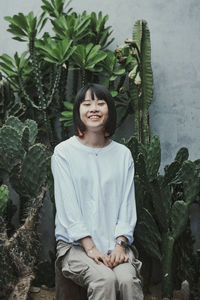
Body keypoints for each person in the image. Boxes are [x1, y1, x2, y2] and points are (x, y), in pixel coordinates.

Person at [51, 83, 144, 300]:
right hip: (76, 247)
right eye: (87, 104)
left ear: (109, 111)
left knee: (127, 281)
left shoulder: (123, 155)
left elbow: (127, 204)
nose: (94, 109)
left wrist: (120, 245)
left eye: (100, 103)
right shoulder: (64, 153)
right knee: (104, 280)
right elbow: (68, 207)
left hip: (115, 245)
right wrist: (90, 248)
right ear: (78, 111)